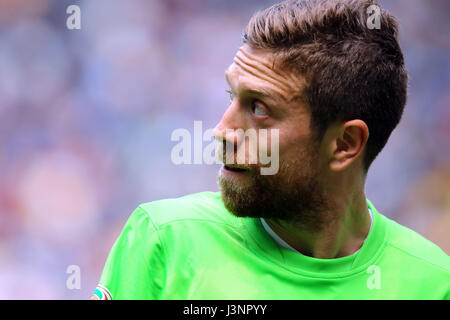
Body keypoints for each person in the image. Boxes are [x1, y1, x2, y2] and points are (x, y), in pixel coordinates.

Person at [92, 0, 449, 300]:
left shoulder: (432, 283)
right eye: (233, 96)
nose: (221, 132)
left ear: (344, 144)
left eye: (260, 108)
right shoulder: (165, 240)